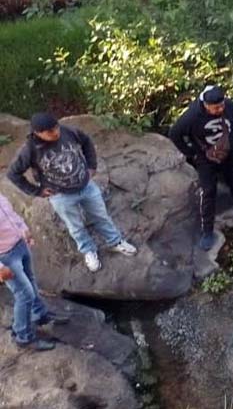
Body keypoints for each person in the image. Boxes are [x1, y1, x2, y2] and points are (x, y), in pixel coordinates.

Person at [7, 113, 137, 273]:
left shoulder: (68, 131)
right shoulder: (30, 150)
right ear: (37, 133)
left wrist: (91, 166)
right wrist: (37, 191)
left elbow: (87, 142)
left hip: (86, 185)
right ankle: (88, 250)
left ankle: (116, 242)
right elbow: (13, 174)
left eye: (56, 127)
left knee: (101, 216)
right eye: (49, 132)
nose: (55, 132)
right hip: (61, 195)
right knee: (75, 227)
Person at [168, 86, 233, 250]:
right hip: (205, 157)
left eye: (221, 105)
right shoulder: (192, 117)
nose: (220, 109)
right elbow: (175, 134)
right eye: (216, 108)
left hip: (228, 152)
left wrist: (230, 140)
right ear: (206, 105)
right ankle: (207, 231)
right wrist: (191, 153)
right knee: (208, 191)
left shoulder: (229, 106)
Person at [0, 192, 69, 351]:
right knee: (25, 295)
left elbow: (13, 215)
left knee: (31, 280)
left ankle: (39, 315)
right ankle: (23, 337)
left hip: (20, 245)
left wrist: (25, 230)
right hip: (6, 257)